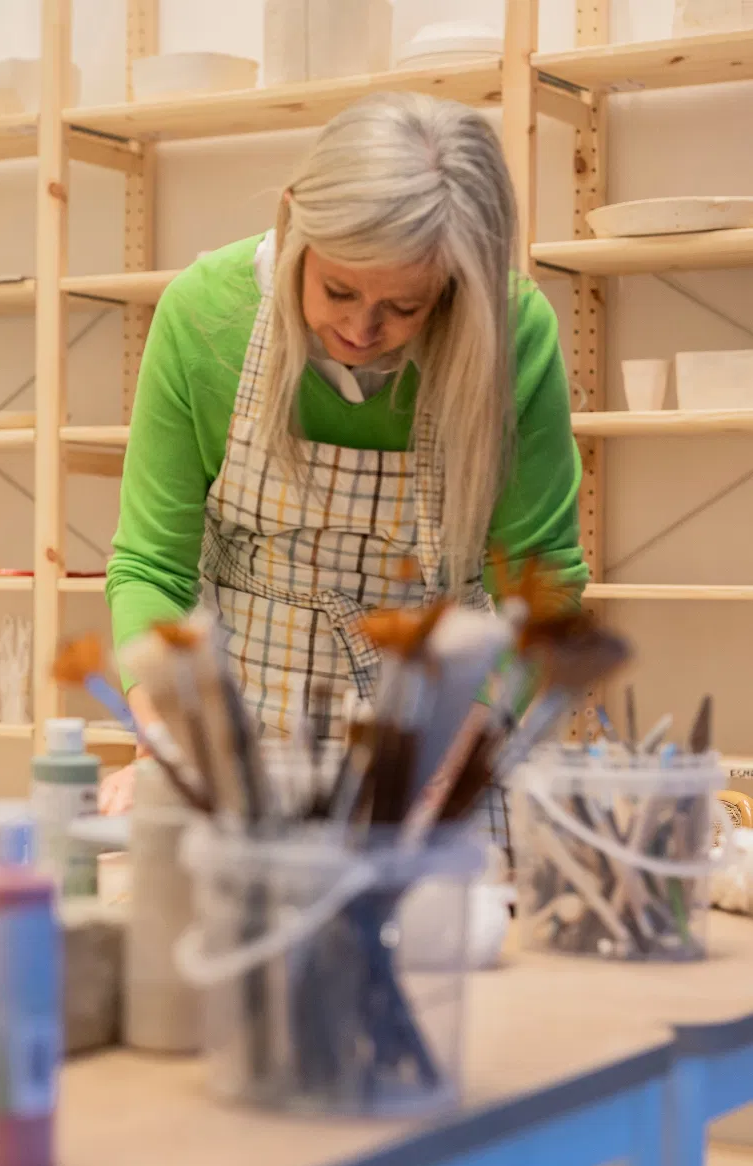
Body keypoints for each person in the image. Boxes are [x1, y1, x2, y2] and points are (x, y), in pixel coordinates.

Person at [102, 92, 586, 813]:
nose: (362, 327)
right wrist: (163, 721)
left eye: (407, 306)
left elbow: (539, 587)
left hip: (442, 740)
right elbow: (151, 566)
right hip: (243, 743)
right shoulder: (206, 317)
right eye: (338, 288)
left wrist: (461, 748)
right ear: (294, 219)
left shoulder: (511, 336)